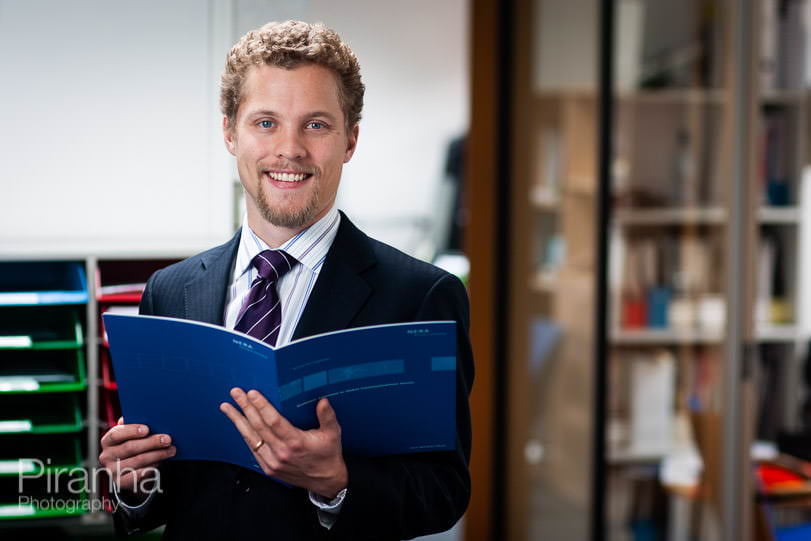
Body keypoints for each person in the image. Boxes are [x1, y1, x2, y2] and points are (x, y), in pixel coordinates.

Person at [97, 20, 474, 540]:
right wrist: (132, 481)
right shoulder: (170, 290)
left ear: (350, 139)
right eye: (266, 123)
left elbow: (443, 490)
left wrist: (337, 482)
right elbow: (168, 490)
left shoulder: (422, 297)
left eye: (316, 125)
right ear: (230, 132)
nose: (290, 149)